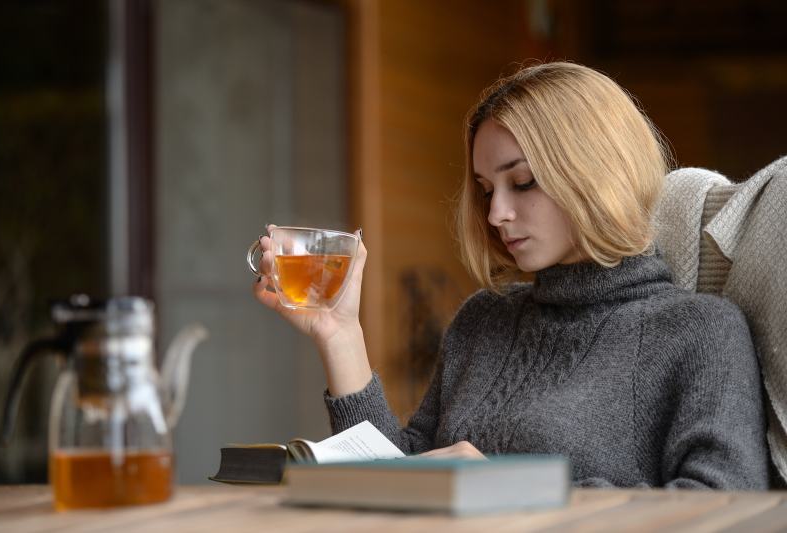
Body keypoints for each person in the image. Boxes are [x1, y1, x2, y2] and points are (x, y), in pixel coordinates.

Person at [253, 62, 769, 489]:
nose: (496, 212)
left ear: (597, 174)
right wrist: (341, 335)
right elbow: (403, 471)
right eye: (485, 188)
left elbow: (723, 507)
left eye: (522, 182)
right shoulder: (483, 319)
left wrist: (509, 487)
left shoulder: (699, 331)